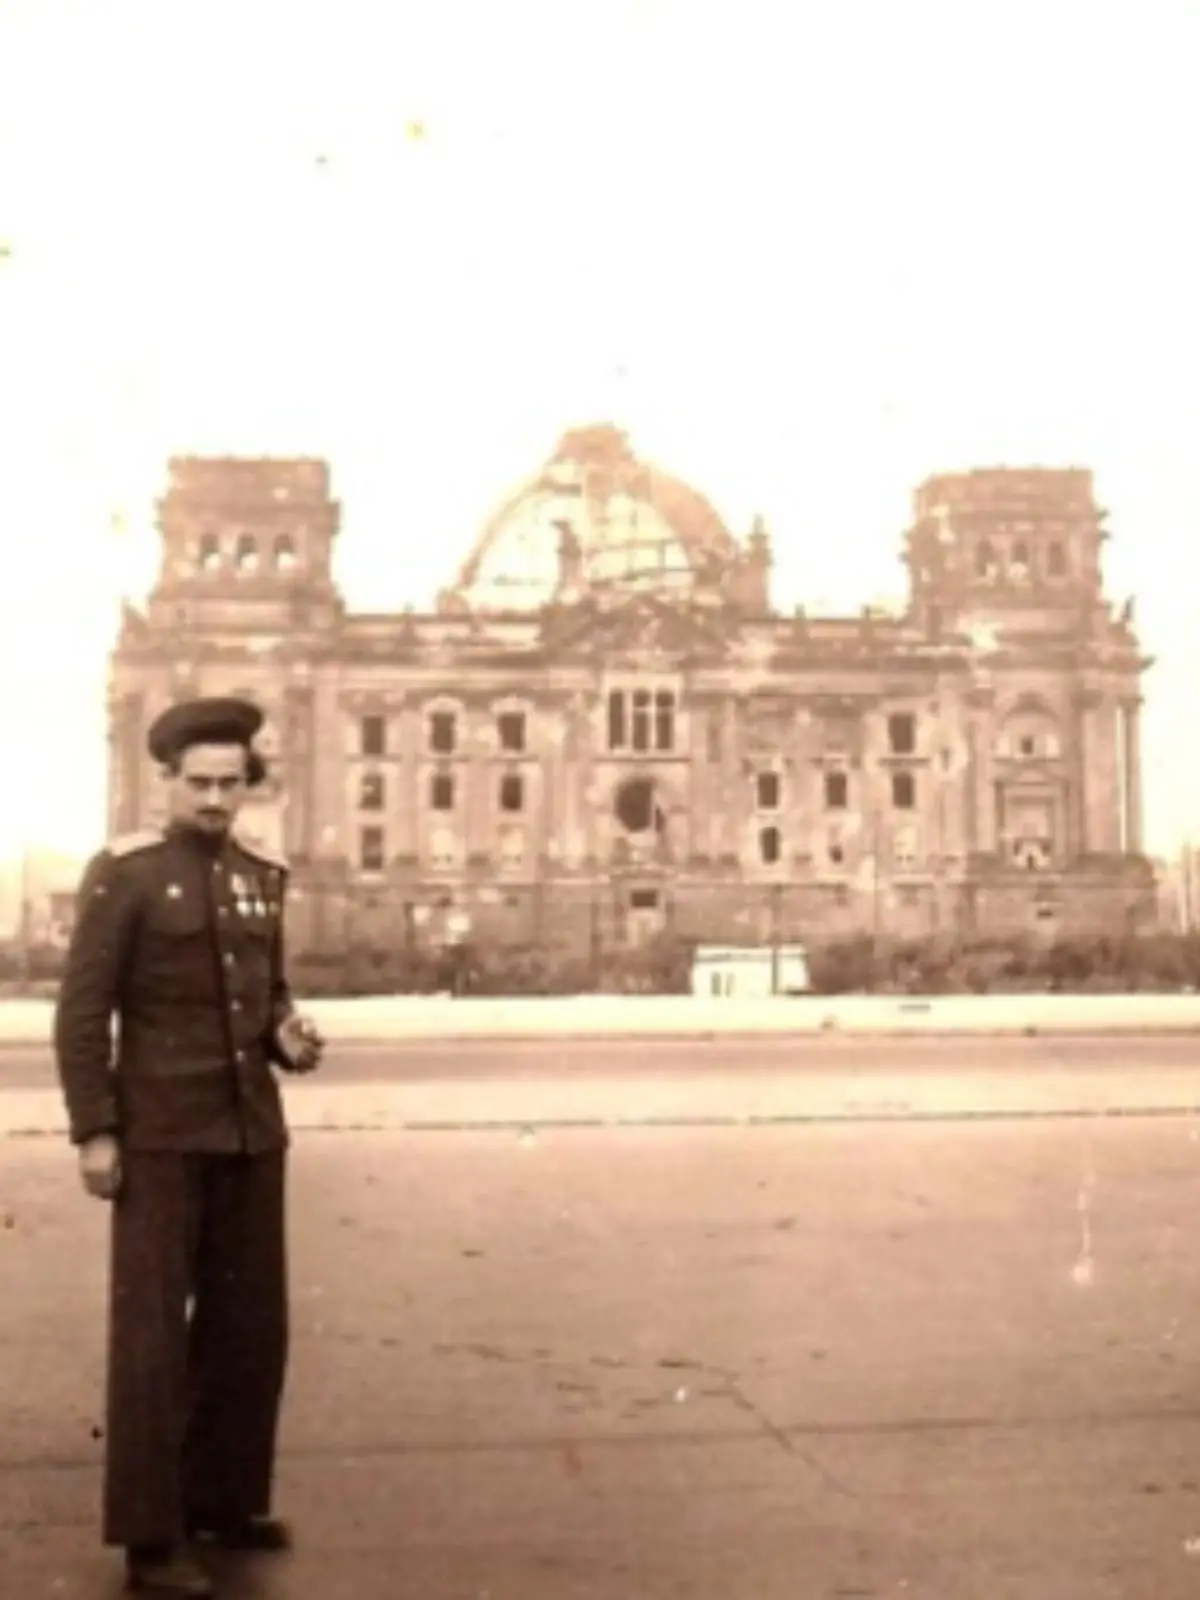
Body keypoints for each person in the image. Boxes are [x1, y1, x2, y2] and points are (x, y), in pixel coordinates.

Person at [53, 696, 326, 1597]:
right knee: (152, 1343)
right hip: (161, 1137)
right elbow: (84, 1013)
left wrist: (289, 1033)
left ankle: (224, 1499)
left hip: (249, 1132)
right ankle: (150, 1537)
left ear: (249, 784)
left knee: (251, 1331)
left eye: (230, 783)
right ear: (167, 781)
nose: (215, 800)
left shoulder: (262, 872)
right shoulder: (126, 874)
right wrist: (95, 1129)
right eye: (199, 783)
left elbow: (270, 992)